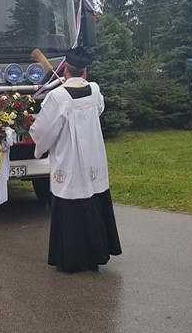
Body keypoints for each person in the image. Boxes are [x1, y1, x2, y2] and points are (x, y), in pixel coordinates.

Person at [29, 47, 122, 272]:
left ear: (65, 69)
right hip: (92, 158)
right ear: (85, 72)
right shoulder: (94, 89)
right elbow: (98, 109)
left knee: (71, 205)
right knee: (93, 200)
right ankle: (95, 256)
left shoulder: (57, 96)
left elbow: (43, 131)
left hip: (70, 160)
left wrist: (38, 145)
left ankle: (72, 259)